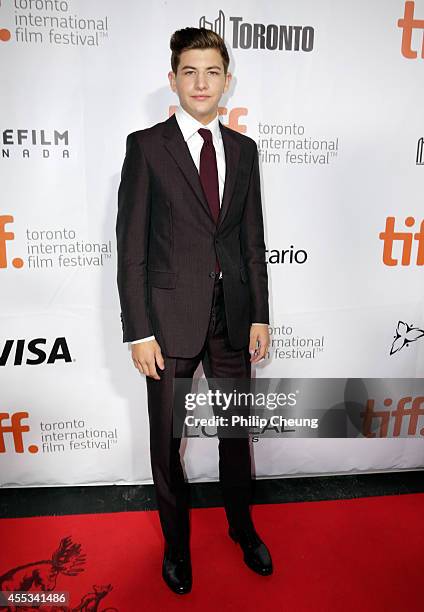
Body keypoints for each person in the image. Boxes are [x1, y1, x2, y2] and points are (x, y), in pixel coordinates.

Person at [116, 27, 272, 595]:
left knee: (236, 435)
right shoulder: (146, 146)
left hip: (233, 318)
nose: (202, 83)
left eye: (212, 72)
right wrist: (138, 331)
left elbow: (251, 241)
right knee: (167, 443)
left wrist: (259, 313)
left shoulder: (245, 151)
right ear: (173, 80)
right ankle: (176, 546)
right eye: (190, 72)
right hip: (168, 326)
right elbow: (131, 248)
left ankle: (241, 527)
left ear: (227, 81)